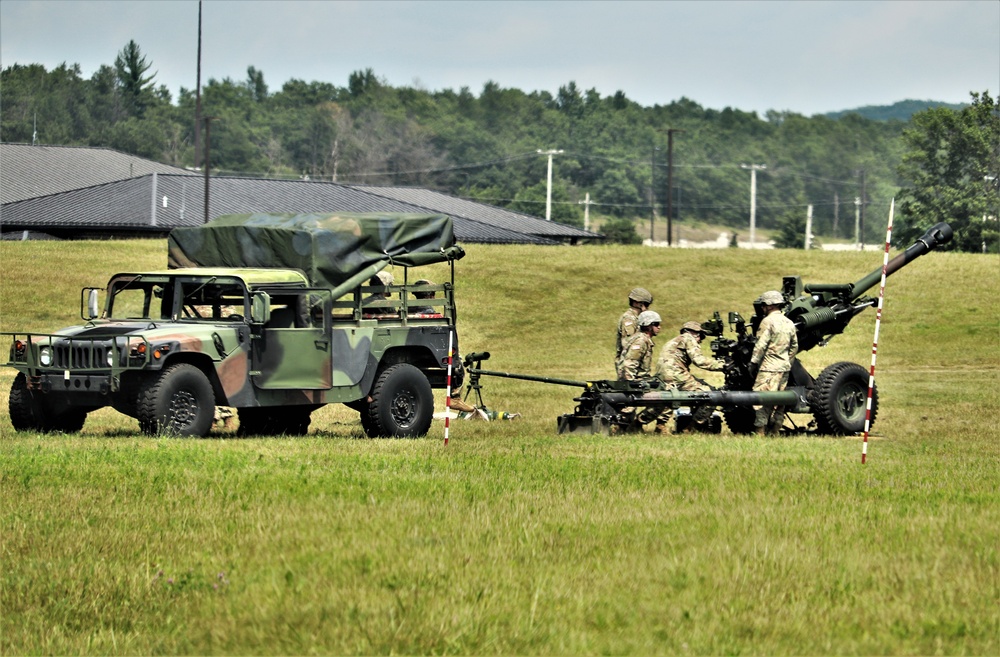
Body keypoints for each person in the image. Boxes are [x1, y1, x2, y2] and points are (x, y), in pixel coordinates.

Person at [656, 321, 726, 433]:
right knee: (711, 395)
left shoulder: (673, 341)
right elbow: (699, 361)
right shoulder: (689, 338)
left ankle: (660, 426)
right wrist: (724, 365)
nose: (701, 340)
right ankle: (692, 428)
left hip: (663, 376)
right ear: (696, 333)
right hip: (677, 375)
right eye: (701, 336)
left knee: (670, 398)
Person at [749, 290, 799, 435]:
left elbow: (760, 345)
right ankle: (775, 432)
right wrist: (786, 361)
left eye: (764, 305)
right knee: (779, 401)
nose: (762, 308)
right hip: (784, 368)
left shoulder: (767, 322)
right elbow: (794, 346)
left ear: (770, 306)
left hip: (768, 368)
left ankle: (760, 432)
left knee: (761, 400)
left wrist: (753, 363)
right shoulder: (789, 322)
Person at [616, 310, 671, 433]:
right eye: (656, 324)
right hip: (636, 382)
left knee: (669, 391)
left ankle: (636, 424)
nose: (659, 327)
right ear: (648, 325)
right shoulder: (641, 341)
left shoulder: (643, 339)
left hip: (642, 380)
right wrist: (630, 385)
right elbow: (629, 363)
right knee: (667, 396)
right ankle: (635, 424)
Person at [615, 287, 653, 369]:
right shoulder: (629, 319)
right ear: (637, 303)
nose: (647, 308)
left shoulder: (637, 318)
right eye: (646, 304)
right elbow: (628, 343)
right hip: (629, 365)